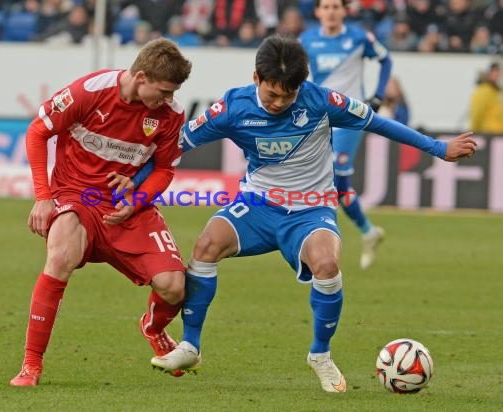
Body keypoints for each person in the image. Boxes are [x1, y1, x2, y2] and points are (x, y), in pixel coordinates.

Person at [126, 35, 477, 393]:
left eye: (288, 96)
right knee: (206, 246)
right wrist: (131, 179)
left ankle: (320, 355)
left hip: (311, 208)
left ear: (302, 86)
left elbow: (377, 122)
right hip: (259, 203)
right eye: (271, 94)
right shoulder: (233, 107)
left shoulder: (322, 101)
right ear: (256, 79)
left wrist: (437, 147)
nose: (279, 103)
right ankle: (190, 345)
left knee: (327, 265)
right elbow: (176, 143)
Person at [9, 38, 192, 386]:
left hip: (128, 207)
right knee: (60, 255)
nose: (168, 99)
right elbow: (37, 132)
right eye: (164, 91)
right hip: (76, 196)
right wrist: (43, 196)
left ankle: (153, 327)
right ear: (141, 77)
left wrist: (136, 200)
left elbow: (165, 170)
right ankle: (31, 364)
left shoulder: (171, 114)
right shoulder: (90, 91)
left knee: (174, 286)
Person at [299, 0, 392, 270]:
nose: (330, 11)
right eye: (325, 7)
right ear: (317, 12)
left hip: (350, 118)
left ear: (344, 11)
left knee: (335, 177)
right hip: (319, 118)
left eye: (335, 6)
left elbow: (386, 59)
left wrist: (379, 94)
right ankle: (368, 231)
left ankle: (320, 243)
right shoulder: (307, 40)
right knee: (340, 187)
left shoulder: (360, 38)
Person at [469, 62, 503, 134]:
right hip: (487, 134)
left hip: (497, 134)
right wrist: (473, 133)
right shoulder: (483, 91)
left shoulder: (494, 91)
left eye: (498, 72)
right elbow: (476, 113)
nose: (497, 75)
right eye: (493, 71)